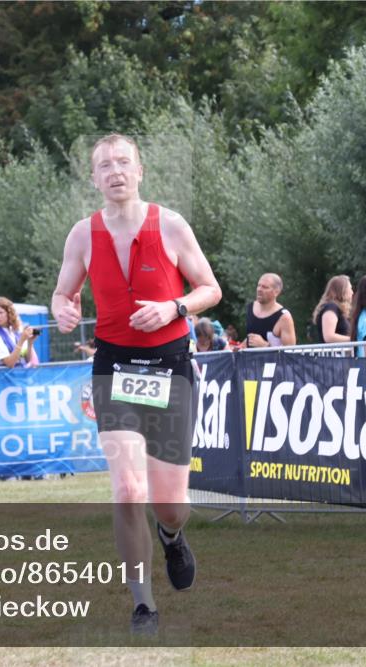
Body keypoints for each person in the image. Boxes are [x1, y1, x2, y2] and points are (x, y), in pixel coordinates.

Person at [51, 133, 222, 636]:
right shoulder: (82, 234)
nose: (115, 171)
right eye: (104, 165)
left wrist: (173, 308)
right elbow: (64, 292)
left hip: (169, 367)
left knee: (171, 503)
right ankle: (143, 602)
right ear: (94, 178)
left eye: (123, 162)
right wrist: (63, 307)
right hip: (113, 367)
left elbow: (209, 289)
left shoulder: (169, 224)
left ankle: (172, 535)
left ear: (140, 170)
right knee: (127, 488)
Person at [0, 296, 40, 368]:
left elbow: (28, 360)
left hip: (20, 377)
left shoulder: (15, 331)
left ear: (9, 313)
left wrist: (30, 342)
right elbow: (10, 363)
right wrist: (22, 340)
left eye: (1, 312)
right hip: (4, 378)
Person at [245, 273, 296, 348]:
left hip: (271, 360)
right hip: (249, 359)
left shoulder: (284, 317)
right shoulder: (250, 307)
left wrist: (265, 345)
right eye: (258, 285)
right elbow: (250, 339)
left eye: (265, 287)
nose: (259, 289)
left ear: (276, 292)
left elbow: (290, 353)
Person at [311, 275, 353, 344]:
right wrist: (354, 339)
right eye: (350, 289)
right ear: (342, 290)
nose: (352, 292)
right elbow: (329, 337)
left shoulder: (336, 309)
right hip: (333, 354)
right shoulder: (331, 307)